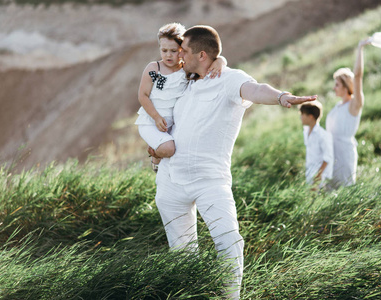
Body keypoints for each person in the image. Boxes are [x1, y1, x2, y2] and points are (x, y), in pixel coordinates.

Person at [150, 25, 317, 299]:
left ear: (202, 55)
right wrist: (157, 148)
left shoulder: (229, 79)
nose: (179, 55)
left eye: (185, 51)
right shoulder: (186, 80)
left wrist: (281, 97)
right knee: (182, 253)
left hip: (209, 181)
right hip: (170, 181)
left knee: (229, 242)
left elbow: (255, 89)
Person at [135, 23, 227, 172]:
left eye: (174, 51)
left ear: (182, 50)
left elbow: (207, 62)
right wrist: (157, 117)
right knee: (169, 149)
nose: (168, 55)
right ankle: (155, 155)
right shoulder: (154, 69)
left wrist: (220, 60)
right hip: (151, 122)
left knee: (183, 150)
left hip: (173, 125)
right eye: (164, 50)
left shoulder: (186, 70)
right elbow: (143, 95)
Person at [325, 38, 371, 188]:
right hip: (331, 155)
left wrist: (360, 49)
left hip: (344, 156)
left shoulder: (354, 105)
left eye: (337, 85)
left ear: (346, 87)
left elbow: (358, 76)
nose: (334, 88)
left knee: (343, 192)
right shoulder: (337, 106)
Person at [299, 100, 333, 190]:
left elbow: (328, 157)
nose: (300, 117)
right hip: (309, 174)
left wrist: (317, 177)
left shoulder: (322, 135)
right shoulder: (306, 131)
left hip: (319, 178)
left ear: (310, 117)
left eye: (302, 114)